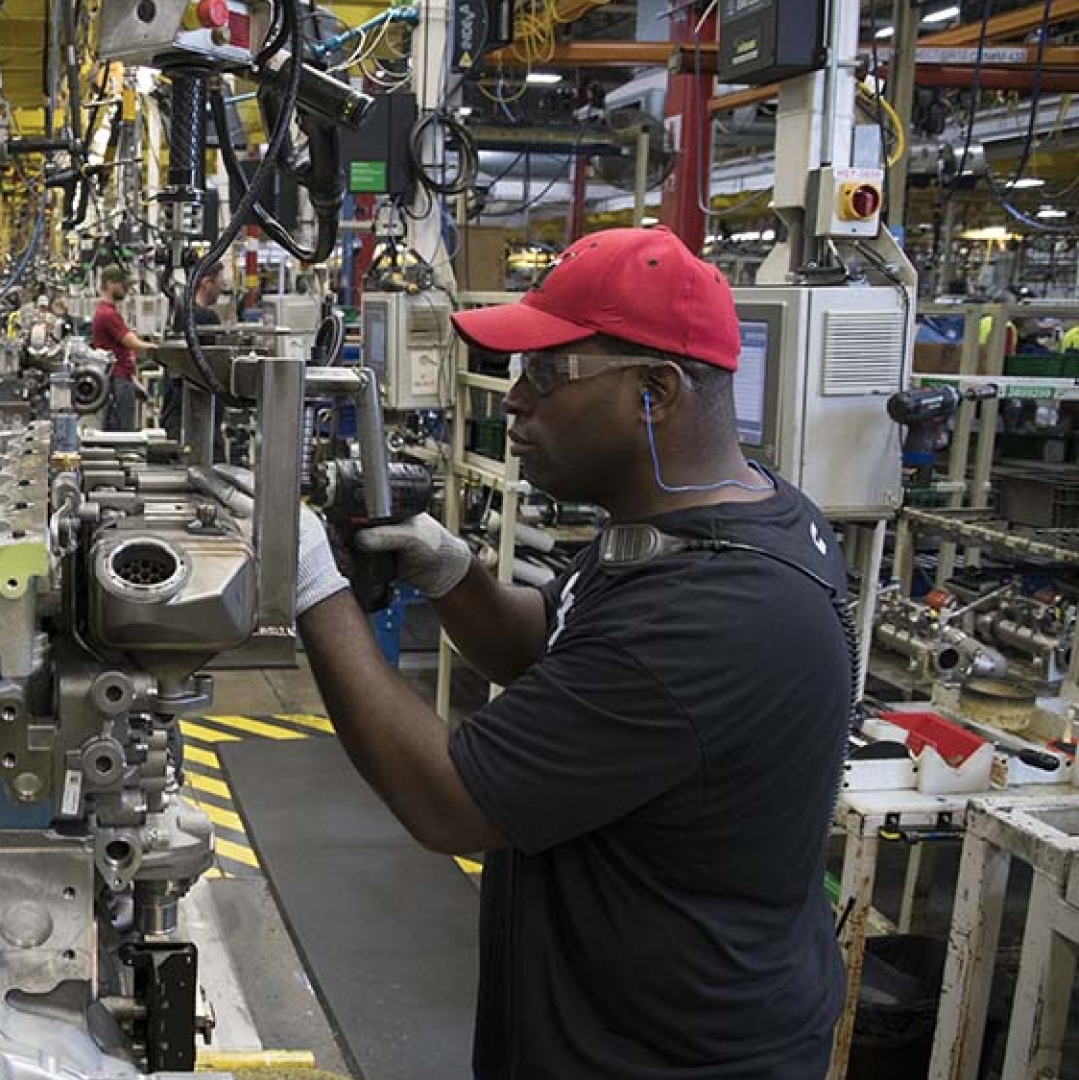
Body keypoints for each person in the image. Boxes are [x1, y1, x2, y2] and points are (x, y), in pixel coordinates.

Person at [291, 227, 851, 1080]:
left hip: (671, 1057)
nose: (512, 401)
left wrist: (311, 587)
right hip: (621, 1021)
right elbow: (551, 643)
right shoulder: (704, 514)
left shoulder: (716, 610)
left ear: (655, 392)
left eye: (547, 376)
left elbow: (448, 803)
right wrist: (451, 573)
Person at [161, 263, 224, 439]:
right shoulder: (206, 318)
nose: (221, 289)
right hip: (198, 417)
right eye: (220, 282)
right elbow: (216, 367)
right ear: (206, 282)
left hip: (177, 412)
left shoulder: (182, 313)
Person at [90, 265, 152, 431]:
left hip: (121, 378)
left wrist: (132, 380)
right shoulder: (107, 314)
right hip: (116, 382)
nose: (126, 289)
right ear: (110, 284)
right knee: (122, 432)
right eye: (124, 285)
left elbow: (119, 352)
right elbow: (131, 342)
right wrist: (158, 349)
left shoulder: (107, 311)